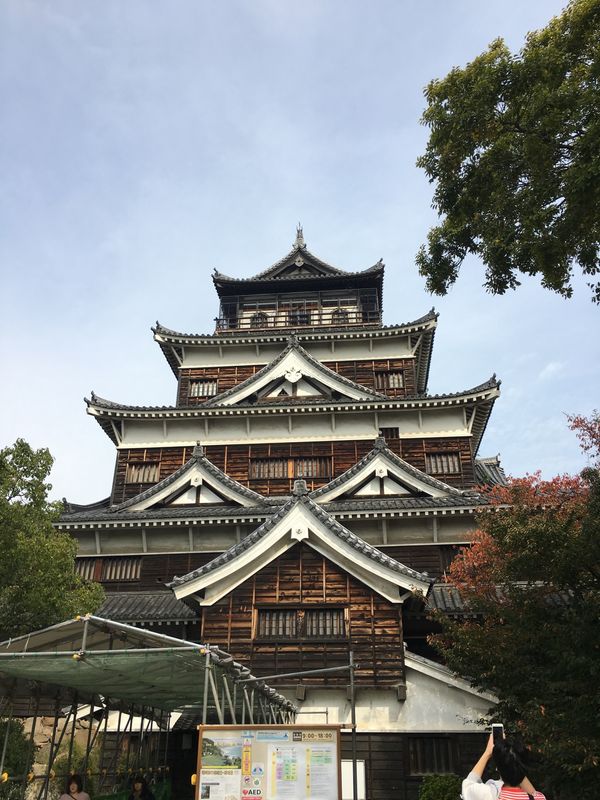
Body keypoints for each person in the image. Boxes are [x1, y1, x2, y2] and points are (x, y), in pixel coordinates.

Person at [462, 733, 547, 800]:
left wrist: (487, 753)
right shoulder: (538, 798)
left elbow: (468, 785)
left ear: (497, 769)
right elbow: (532, 792)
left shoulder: (489, 795)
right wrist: (515, 762)